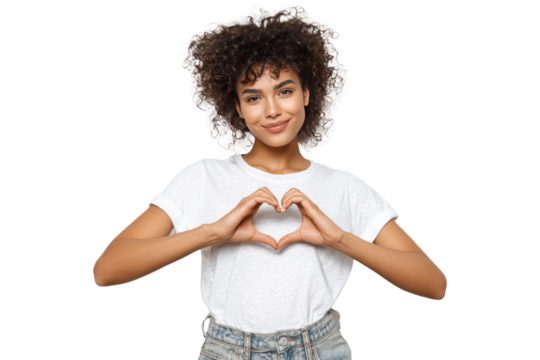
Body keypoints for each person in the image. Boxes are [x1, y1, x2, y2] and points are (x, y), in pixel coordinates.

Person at [92, 2, 447, 359]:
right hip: (227, 351)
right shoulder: (202, 177)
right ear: (237, 107)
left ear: (307, 93)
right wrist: (214, 232)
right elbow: (107, 269)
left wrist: (339, 239)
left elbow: (434, 283)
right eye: (253, 97)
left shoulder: (345, 187)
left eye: (285, 90)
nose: (272, 109)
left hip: (320, 349)